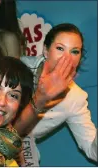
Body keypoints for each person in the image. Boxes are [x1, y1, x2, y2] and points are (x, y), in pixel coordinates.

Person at [16, 23, 97, 166]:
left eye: (75, 51)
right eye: (60, 48)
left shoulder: (75, 98)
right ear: (46, 50)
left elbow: (92, 149)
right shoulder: (20, 67)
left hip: (23, 145)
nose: (67, 59)